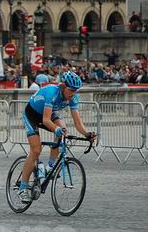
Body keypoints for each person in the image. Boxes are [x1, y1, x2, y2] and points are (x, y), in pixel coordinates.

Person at [18, 72, 96, 203]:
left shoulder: (73, 97)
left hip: (48, 113)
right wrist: (56, 129)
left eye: (75, 91)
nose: (73, 94)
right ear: (63, 86)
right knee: (36, 150)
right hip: (32, 115)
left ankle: (50, 167)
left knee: (63, 128)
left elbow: (78, 123)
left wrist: (87, 134)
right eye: (71, 90)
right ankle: (23, 187)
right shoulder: (52, 92)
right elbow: (46, 120)